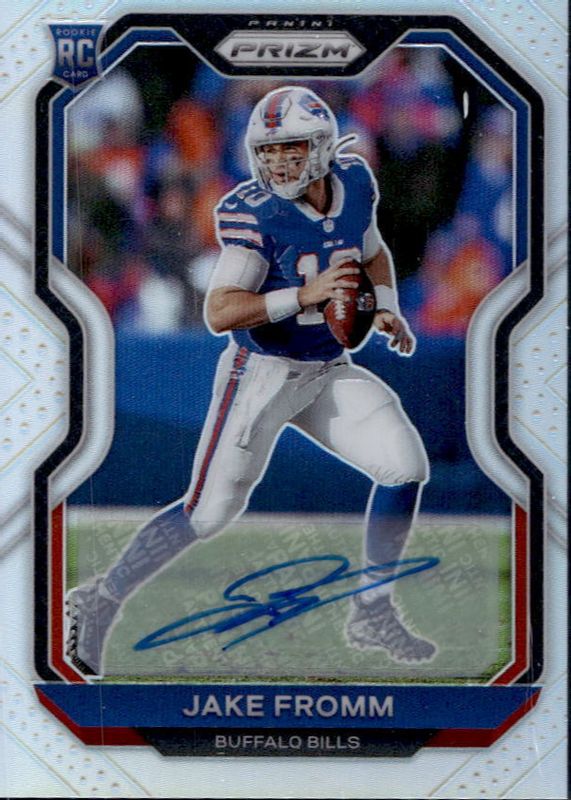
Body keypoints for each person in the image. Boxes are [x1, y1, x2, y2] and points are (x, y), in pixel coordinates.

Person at [67, 86, 435, 676]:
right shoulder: (258, 211)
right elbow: (220, 311)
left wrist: (386, 306)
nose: (279, 163)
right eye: (269, 151)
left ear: (322, 148)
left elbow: (372, 252)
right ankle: (100, 598)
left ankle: (371, 611)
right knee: (208, 513)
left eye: (292, 149)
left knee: (404, 465)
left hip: (326, 368)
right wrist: (304, 295)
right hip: (260, 372)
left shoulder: (354, 183)